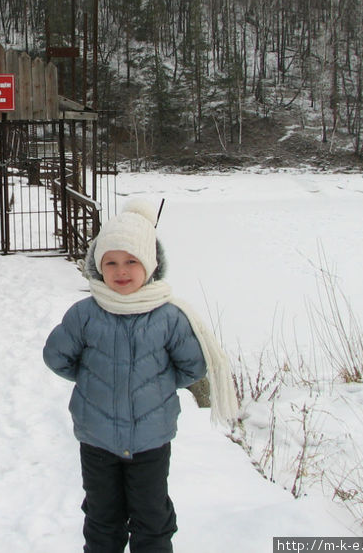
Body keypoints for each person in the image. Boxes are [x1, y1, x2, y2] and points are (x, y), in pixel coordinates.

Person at [43, 199, 238, 553]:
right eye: (112, 262)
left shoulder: (169, 317)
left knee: (152, 518)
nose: (121, 271)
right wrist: (92, 379)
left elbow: (193, 365)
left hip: (150, 442)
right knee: (103, 519)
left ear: (149, 265)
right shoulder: (85, 314)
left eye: (132, 261)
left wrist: (156, 385)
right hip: (97, 442)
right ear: (98, 266)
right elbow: (57, 356)